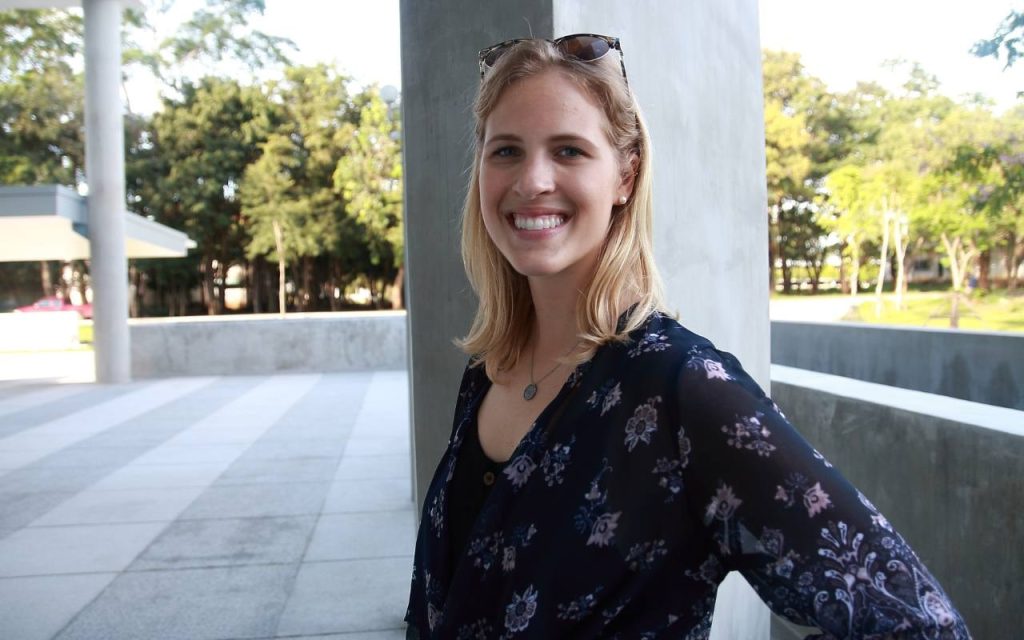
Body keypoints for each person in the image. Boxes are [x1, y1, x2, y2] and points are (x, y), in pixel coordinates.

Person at [405, 34, 971, 639]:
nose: (532, 180)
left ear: (626, 175)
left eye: (568, 151)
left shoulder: (681, 387)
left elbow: (918, 624)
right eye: (507, 151)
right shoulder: (488, 372)